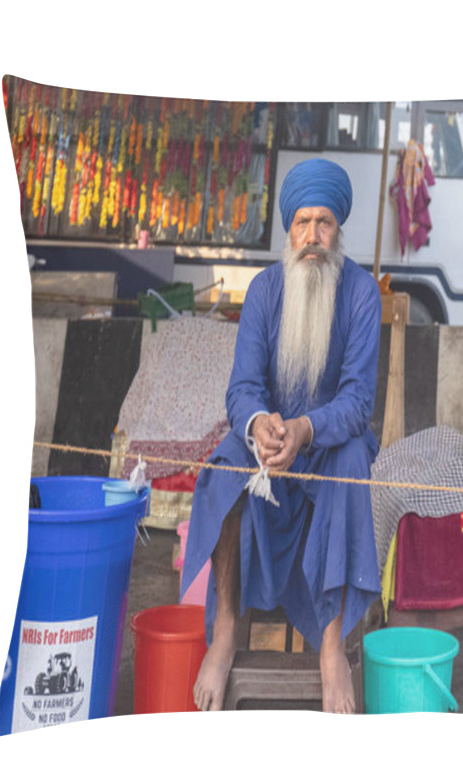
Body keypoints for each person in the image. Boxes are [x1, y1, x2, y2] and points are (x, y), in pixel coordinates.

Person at [180, 158, 382, 713]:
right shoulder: (266, 291)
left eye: (324, 223)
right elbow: (242, 388)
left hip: (328, 447)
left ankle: (331, 645)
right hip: (268, 450)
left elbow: (358, 403)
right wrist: (260, 425)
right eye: (302, 222)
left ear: (338, 230)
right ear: (288, 229)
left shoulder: (362, 293)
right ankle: (225, 630)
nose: (312, 236)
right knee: (222, 464)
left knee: (350, 462)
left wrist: (305, 428)